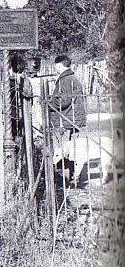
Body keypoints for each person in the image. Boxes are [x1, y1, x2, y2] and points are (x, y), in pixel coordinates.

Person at [48, 55, 87, 183]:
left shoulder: (64, 80)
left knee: (63, 150)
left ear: (59, 65)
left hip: (65, 120)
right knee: (72, 149)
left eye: (56, 66)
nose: (56, 68)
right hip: (75, 119)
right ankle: (73, 176)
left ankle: (65, 179)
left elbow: (63, 101)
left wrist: (49, 103)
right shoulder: (74, 78)